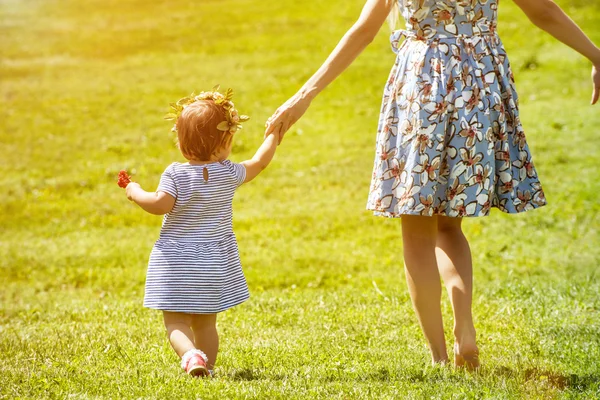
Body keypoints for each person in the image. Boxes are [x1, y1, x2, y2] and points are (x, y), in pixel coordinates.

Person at [265, 0, 600, 369]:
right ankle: (465, 328)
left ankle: (441, 357)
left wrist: (303, 97)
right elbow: (544, 12)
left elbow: (363, 31)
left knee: (417, 232)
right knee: (449, 225)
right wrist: (596, 56)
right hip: (479, 85)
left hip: (422, 86)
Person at [124, 87, 278, 377]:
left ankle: (191, 356)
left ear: (182, 145)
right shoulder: (229, 173)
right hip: (214, 263)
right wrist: (274, 134)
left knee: (176, 323)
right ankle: (208, 367)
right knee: (206, 324)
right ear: (226, 142)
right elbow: (259, 162)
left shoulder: (175, 174)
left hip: (177, 263)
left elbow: (159, 205)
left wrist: (135, 191)